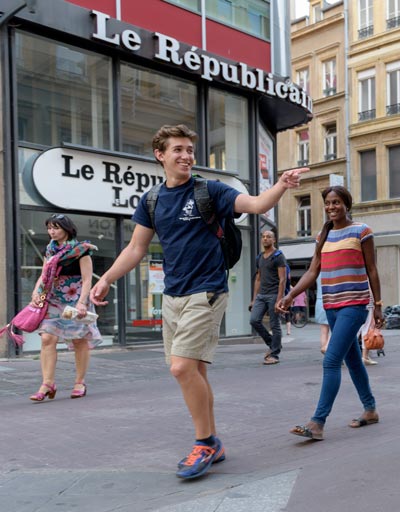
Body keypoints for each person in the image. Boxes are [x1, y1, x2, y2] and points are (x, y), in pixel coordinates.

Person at [91, 124, 306, 479]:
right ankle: (213, 441)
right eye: (178, 149)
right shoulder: (152, 200)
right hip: (173, 295)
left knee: (180, 368)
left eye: (190, 149)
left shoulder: (211, 191)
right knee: (195, 370)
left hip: (207, 291)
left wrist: (281, 185)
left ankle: (204, 441)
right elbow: (135, 248)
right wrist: (107, 278)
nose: (186, 156)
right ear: (160, 155)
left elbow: (254, 204)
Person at [278, 186, 383, 441]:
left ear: (346, 204)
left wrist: (378, 304)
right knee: (354, 360)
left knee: (331, 360)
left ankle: (317, 422)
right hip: (332, 306)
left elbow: (372, 269)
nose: (331, 207)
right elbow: (313, 272)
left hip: (354, 306)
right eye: (327, 203)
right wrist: (291, 295)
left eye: (336, 202)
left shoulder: (362, 231)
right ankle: (370, 409)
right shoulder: (322, 236)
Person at [29, 214, 102, 402]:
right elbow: (45, 273)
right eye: (49, 228)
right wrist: (36, 292)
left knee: (79, 340)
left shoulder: (81, 250)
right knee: (47, 338)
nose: (51, 231)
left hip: (75, 296)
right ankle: (47, 384)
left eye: (56, 228)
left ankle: (79, 382)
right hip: (53, 297)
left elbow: (87, 279)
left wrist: (82, 301)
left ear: (66, 229)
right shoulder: (50, 249)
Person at [248, 230, 286, 365]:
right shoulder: (259, 257)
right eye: (263, 237)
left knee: (274, 324)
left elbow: (282, 279)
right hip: (261, 295)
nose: (265, 239)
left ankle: (275, 355)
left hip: (274, 294)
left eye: (268, 237)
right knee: (254, 320)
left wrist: (279, 299)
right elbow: (258, 278)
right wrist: (254, 298)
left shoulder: (278, 256)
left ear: (274, 240)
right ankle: (273, 344)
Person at [313, 275, 330, 354]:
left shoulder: (318, 273)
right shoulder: (331, 269)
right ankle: (326, 347)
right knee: (336, 330)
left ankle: (325, 347)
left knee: (323, 331)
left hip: (320, 300)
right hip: (332, 300)